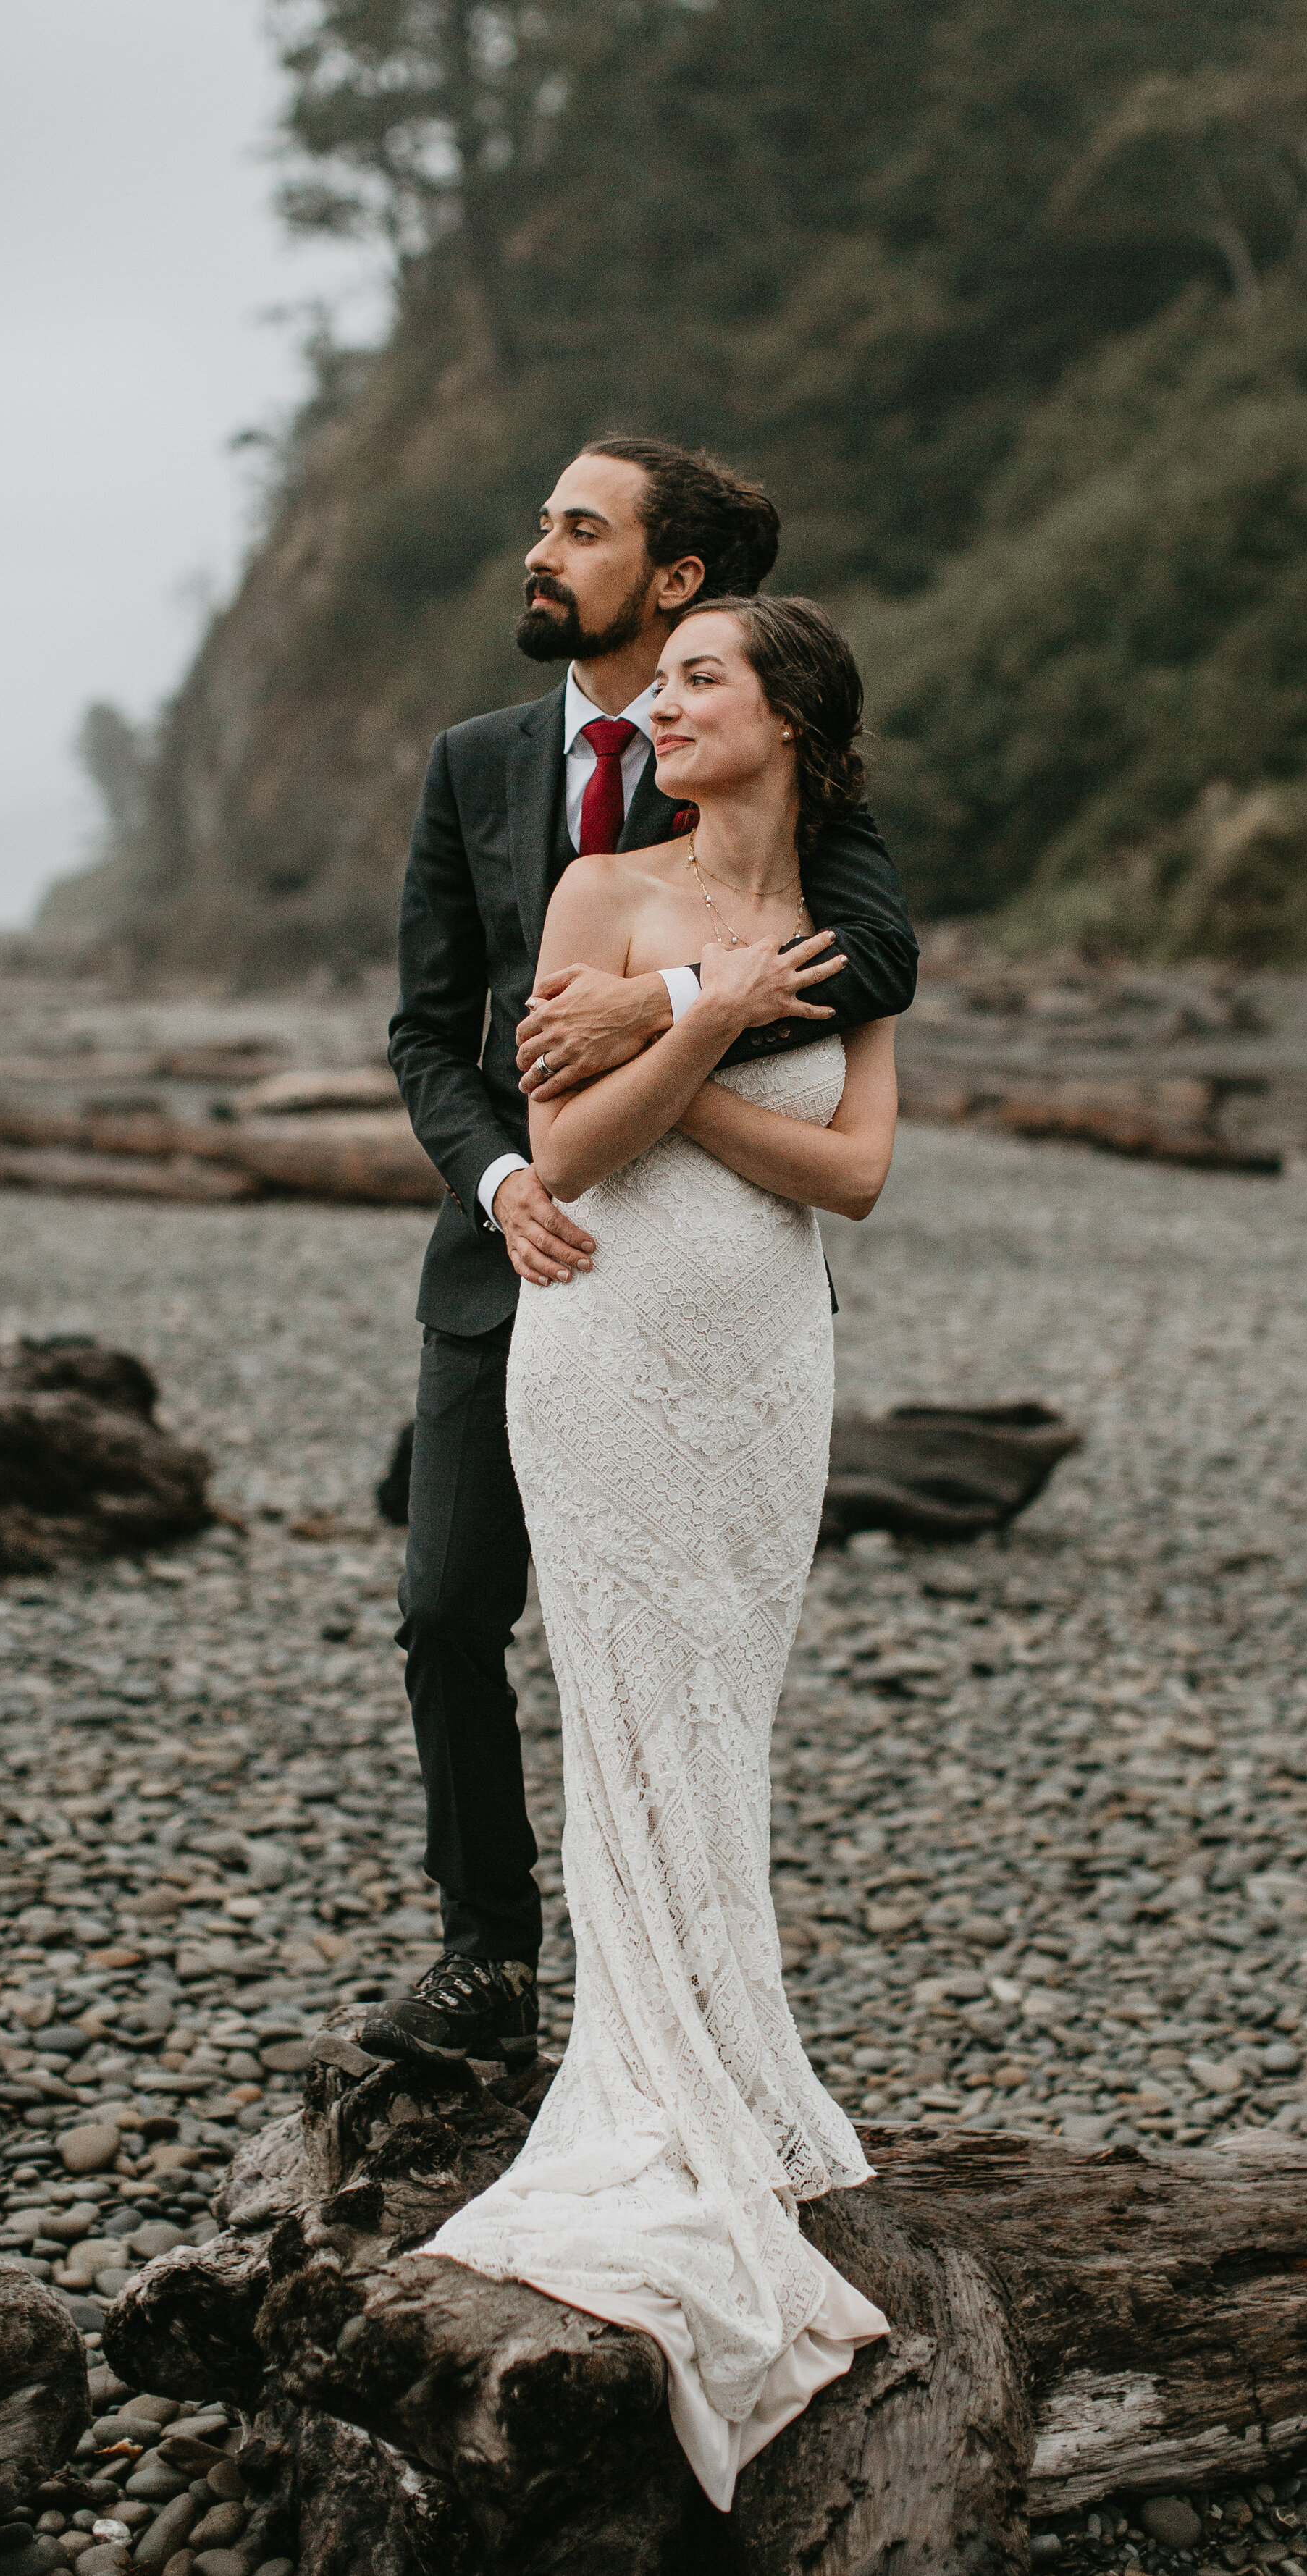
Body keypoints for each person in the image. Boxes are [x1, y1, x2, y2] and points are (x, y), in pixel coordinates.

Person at [417, 592, 900, 2507]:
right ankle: (652, 2095)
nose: (660, 702)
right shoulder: (599, 895)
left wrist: (687, 1043)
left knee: (729, 1713)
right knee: (627, 1709)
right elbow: (577, 1140)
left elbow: (858, 1167)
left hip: (768, 1362)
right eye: (665, 677)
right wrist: (701, 1019)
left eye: (701, 679)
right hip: (607, 1348)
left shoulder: (851, 932)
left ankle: (733, 2057)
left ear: (788, 723)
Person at [374, 436, 917, 2076]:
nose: (537, 550)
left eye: (578, 529)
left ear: (675, 577)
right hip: (518, 1251)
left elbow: (875, 956)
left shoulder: (791, 782)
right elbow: (426, 1032)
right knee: (447, 1605)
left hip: (723, 1291)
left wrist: (659, 1009)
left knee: (699, 1648)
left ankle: (685, 2004)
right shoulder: (476, 763)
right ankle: (487, 1955)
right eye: (543, 521)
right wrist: (494, 1186)